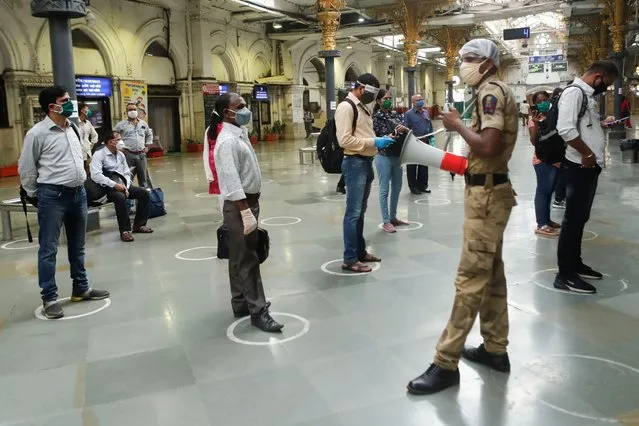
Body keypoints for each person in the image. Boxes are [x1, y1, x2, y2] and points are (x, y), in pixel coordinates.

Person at [407, 39, 518, 394]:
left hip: (486, 197)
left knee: (470, 278)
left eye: (470, 59)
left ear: (488, 63)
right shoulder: (491, 91)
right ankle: (495, 348)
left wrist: (456, 125)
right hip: (488, 191)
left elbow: (488, 146)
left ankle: (445, 362)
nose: (464, 64)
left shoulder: (490, 93)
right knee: (492, 273)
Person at [18, 85, 110, 319]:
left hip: (77, 194)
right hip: (53, 197)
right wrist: (36, 194)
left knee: (77, 246)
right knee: (48, 250)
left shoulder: (73, 129)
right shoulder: (37, 134)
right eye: (66, 100)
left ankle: (81, 288)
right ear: (52, 106)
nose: (71, 103)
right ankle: (49, 298)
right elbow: (26, 169)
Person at [214, 92, 283, 333]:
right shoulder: (227, 141)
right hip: (239, 205)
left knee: (237, 255)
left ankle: (240, 302)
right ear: (227, 113)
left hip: (246, 202)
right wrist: (245, 213)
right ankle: (258, 310)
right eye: (240, 106)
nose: (246, 110)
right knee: (249, 259)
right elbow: (231, 181)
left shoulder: (239, 134)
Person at [554, 61, 619, 294]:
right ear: (598, 76)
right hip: (578, 166)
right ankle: (565, 275)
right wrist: (588, 153)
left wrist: (599, 126)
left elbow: (582, 126)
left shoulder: (586, 94)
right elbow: (566, 130)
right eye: (607, 84)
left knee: (580, 219)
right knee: (572, 221)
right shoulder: (574, 93)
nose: (606, 88)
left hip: (589, 167)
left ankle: (575, 263)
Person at [336, 73, 394, 273]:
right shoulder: (346, 107)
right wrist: (373, 142)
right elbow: (344, 141)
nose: (372, 97)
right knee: (352, 213)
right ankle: (349, 258)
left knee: (360, 212)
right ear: (360, 88)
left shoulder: (363, 108)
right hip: (354, 164)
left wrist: (380, 138)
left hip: (365, 162)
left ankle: (360, 252)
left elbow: (363, 134)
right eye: (371, 93)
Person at [89, 131, 153, 242]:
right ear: (110, 142)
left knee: (144, 193)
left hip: (123, 186)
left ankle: (139, 225)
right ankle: (125, 231)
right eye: (118, 139)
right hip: (106, 188)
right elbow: (96, 175)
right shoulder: (99, 155)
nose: (121, 142)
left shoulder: (121, 155)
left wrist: (126, 186)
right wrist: (115, 185)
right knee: (120, 197)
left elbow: (127, 173)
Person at [373, 89, 409, 233]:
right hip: (383, 156)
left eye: (389, 98)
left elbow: (407, 130)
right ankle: (386, 220)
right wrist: (391, 136)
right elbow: (376, 137)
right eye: (385, 98)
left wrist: (404, 129)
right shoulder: (376, 118)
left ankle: (393, 216)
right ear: (378, 101)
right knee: (384, 189)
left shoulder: (396, 114)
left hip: (397, 155)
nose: (388, 100)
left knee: (397, 186)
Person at [528, 91, 561, 237]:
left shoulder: (555, 115)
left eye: (545, 99)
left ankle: (547, 219)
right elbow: (534, 141)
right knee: (543, 191)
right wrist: (535, 124)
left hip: (557, 159)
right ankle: (542, 224)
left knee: (549, 192)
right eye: (539, 101)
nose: (543, 102)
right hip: (542, 160)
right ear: (535, 104)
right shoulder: (534, 119)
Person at [114, 103, 153, 187]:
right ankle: (129, 198)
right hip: (128, 155)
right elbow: (113, 136)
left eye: (134, 109)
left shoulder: (143, 123)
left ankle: (143, 197)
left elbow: (149, 134)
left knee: (144, 179)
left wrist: (148, 146)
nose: (133, 111)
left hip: (141, 155)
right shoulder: (121, 125)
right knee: (128, 178)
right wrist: (119, 148)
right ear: (126, 112)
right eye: (130, 110)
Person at [404, 94, 434, 194]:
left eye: (421, 99)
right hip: (413, 143)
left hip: (425, 142)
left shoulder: (426, 112)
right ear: (413, 102)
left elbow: (429, 125)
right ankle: (413, 187)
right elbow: (405, 129)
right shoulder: (408, 114)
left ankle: (422, 186)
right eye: (418, 100)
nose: (421, 101)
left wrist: (431, 138)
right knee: (412, 166)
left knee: (424, 165)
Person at [203, 110, 223, 212]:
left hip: (212, 160)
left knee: (220, 191)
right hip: (223, 159)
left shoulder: (209, 129)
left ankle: (223, 212)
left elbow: (206, 148)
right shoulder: (224, 129)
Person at [78, 102, 98, 169]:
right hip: (78, 153)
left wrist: (91, 145)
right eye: (87, 109)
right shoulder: (74, 122)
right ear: (81, 110)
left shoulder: (88, 123)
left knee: (88, 170)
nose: (89, 111)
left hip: (87, 152)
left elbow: (95, 135)